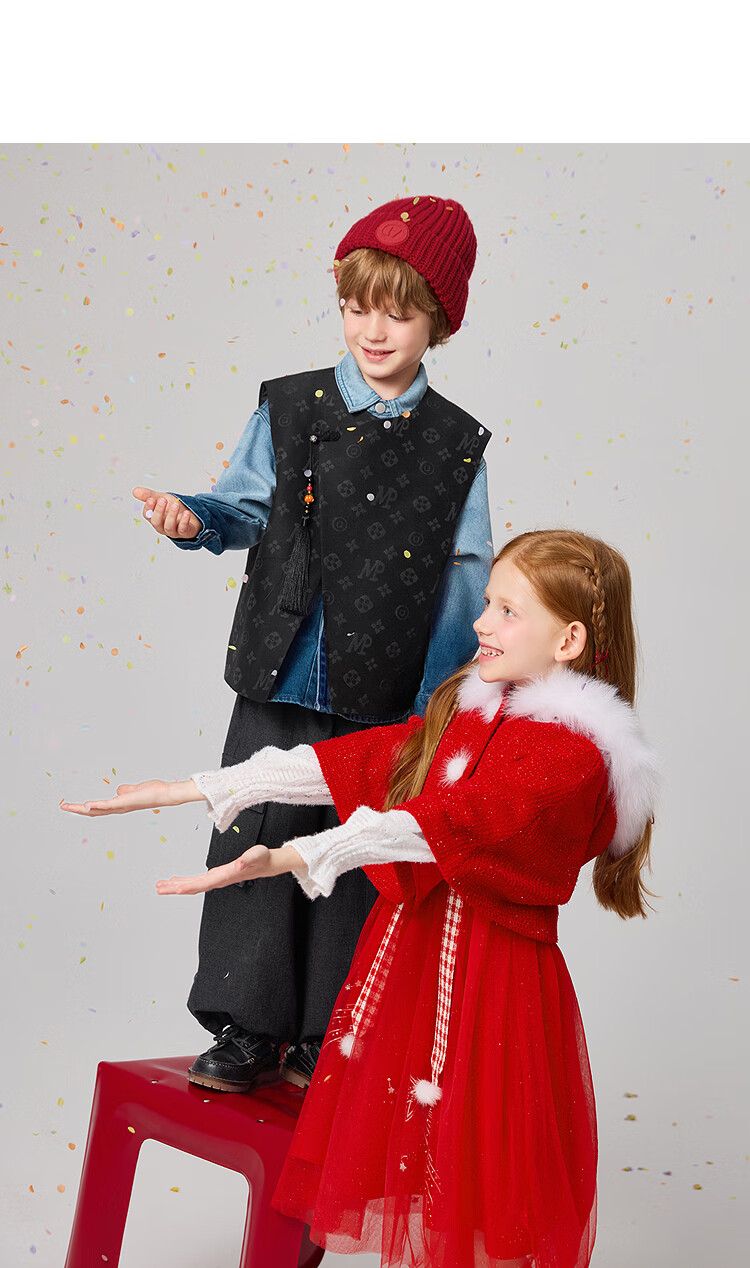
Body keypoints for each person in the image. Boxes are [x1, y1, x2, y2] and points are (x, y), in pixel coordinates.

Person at [62, 528, 658, 1268]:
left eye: (508, 611)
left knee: (475, 1171)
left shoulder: (570, 757)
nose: (480, 622)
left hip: (491, 982)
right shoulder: (476, 712)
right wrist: (206, 786)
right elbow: (376, 758)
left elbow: (444, 822)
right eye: (488, 603)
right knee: (404, 1152)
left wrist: (296, 854)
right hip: (410, 960)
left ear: (568, 640)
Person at [127, 196, 493, 1093]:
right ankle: (246, 1027)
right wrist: (194, 519)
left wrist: (441, 702)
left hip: (386, 689)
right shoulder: (290, 405)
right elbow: (241, 502)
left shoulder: (457, 444)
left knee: (354, 850)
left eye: (397, 312)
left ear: (438, 320)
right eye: (356, 307)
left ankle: (330, 1034)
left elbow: (466, 575)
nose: (374, 330)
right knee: (255, 828)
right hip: (279, 670)